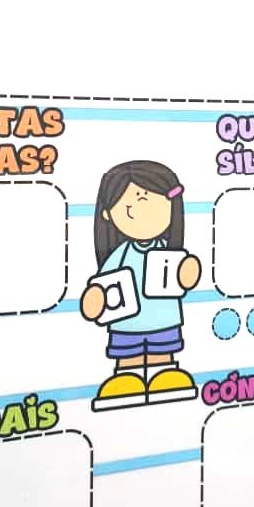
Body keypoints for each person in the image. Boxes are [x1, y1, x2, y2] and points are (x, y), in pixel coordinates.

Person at [80, 160, 202, 410]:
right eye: (130, 206)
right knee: (128, 359)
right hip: (126, 324)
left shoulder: (166, 251)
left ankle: (165, 375)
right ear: (107, 214)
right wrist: (95, 298)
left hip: (164, 320)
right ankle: (126, 379)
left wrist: (188, 272)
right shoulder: (119, 255)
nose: (141, 210)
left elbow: (184, 276)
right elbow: (102, 286)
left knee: (162, 355)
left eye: (150, 200)